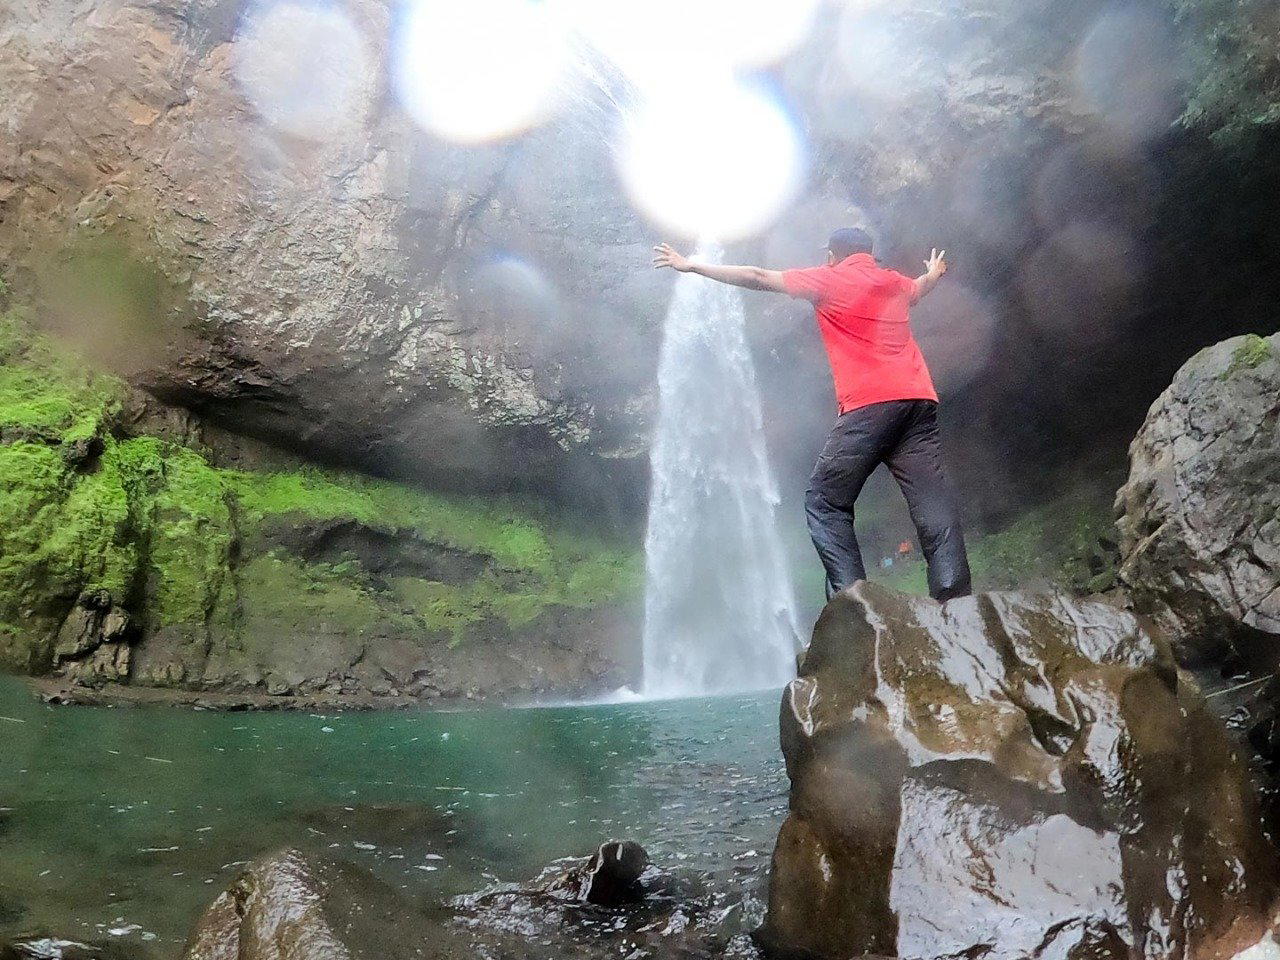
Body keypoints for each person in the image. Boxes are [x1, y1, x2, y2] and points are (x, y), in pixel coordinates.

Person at [652, 228, 972, 602]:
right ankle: (955, 598)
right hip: (918, 401)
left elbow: (758, 277)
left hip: (869, 404)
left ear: (834, 255)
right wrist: (934, 272)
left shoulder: (828, 279)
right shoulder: (893, 282)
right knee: (932, 500)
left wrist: (692, 266)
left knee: (825, 501)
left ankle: (854, 603)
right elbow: (921, 286)